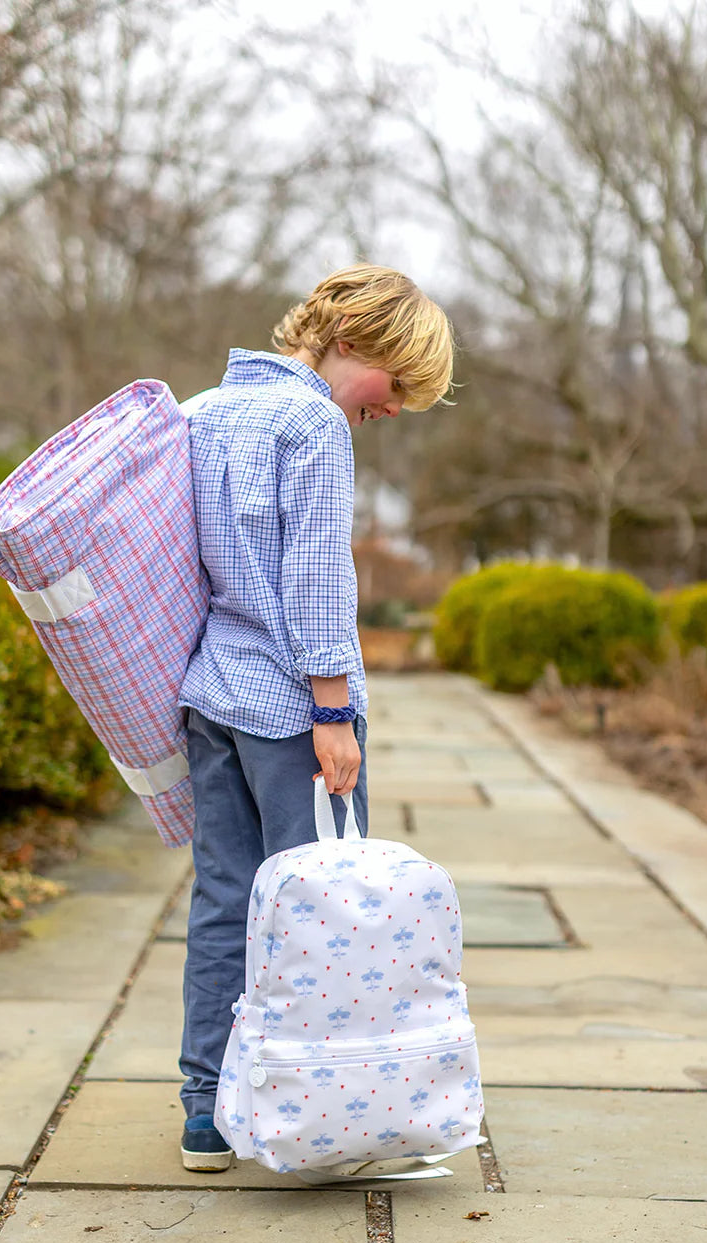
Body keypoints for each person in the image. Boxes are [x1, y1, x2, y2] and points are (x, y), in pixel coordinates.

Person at [177, 264, 455, 1170]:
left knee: (227, 899)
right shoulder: (313, 425)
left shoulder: (205, 410)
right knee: (331, 912)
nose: (402, 406)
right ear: (350, 340)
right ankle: (330, 1108)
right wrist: (332, 708)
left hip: (212, 695)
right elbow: (319, 580)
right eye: (399, 381)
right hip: (294, 707)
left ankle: (207, 1110)